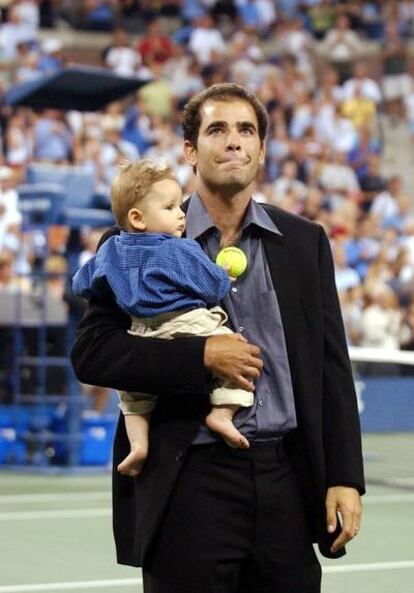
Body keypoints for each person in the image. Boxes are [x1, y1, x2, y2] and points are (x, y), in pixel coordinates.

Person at [71, 83, 364, 593]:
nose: (234, 142)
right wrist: (201, 353)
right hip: (188, 482)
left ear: (262, 150)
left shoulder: (305, 242)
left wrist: (344, 477)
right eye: (217, 129)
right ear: (190, 151)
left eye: (246, 130)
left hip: (285, 484)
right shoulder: (133, 242)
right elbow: (95, 354)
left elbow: (331, 368)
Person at [72, 158, 254, 476]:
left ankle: (139, 445)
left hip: (140, 331)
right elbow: (212, 287)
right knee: (235, 351)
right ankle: (222, 414)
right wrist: (224, 274)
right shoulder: (178, 249)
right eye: (170, 208)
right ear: (138, 218)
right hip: (185, 323)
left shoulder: (111, 251)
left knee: (133, 396)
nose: (181, 214)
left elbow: (82, 282)